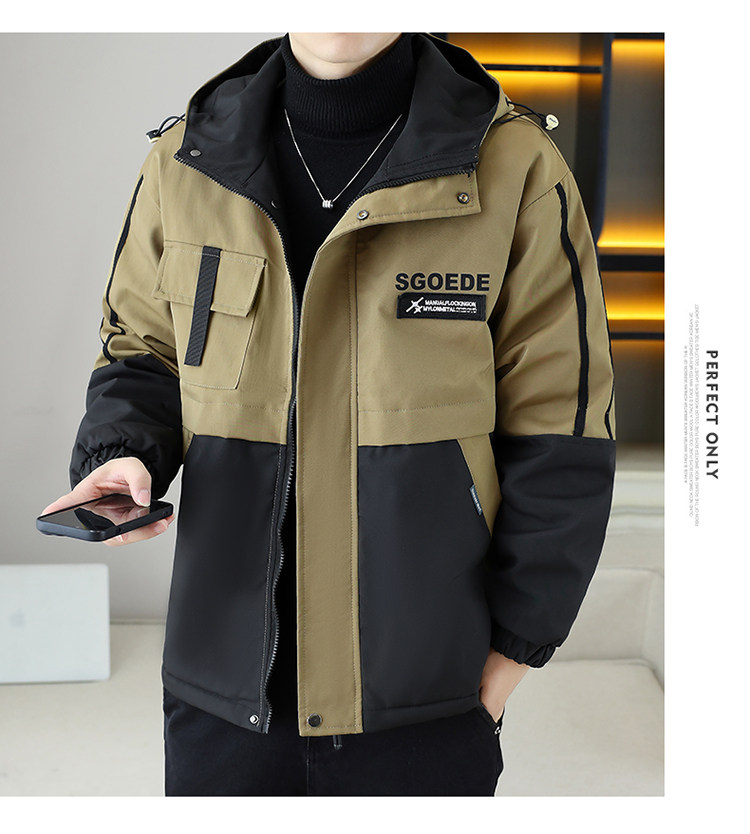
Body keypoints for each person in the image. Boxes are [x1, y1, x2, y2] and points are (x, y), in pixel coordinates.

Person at [41, 32, 616, 796]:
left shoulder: (515, 165)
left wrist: (512, 651)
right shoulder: (185, 161)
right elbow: (143, 351)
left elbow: (563, 421)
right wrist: (124, 452)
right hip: (220, 695)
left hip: (427, 694)